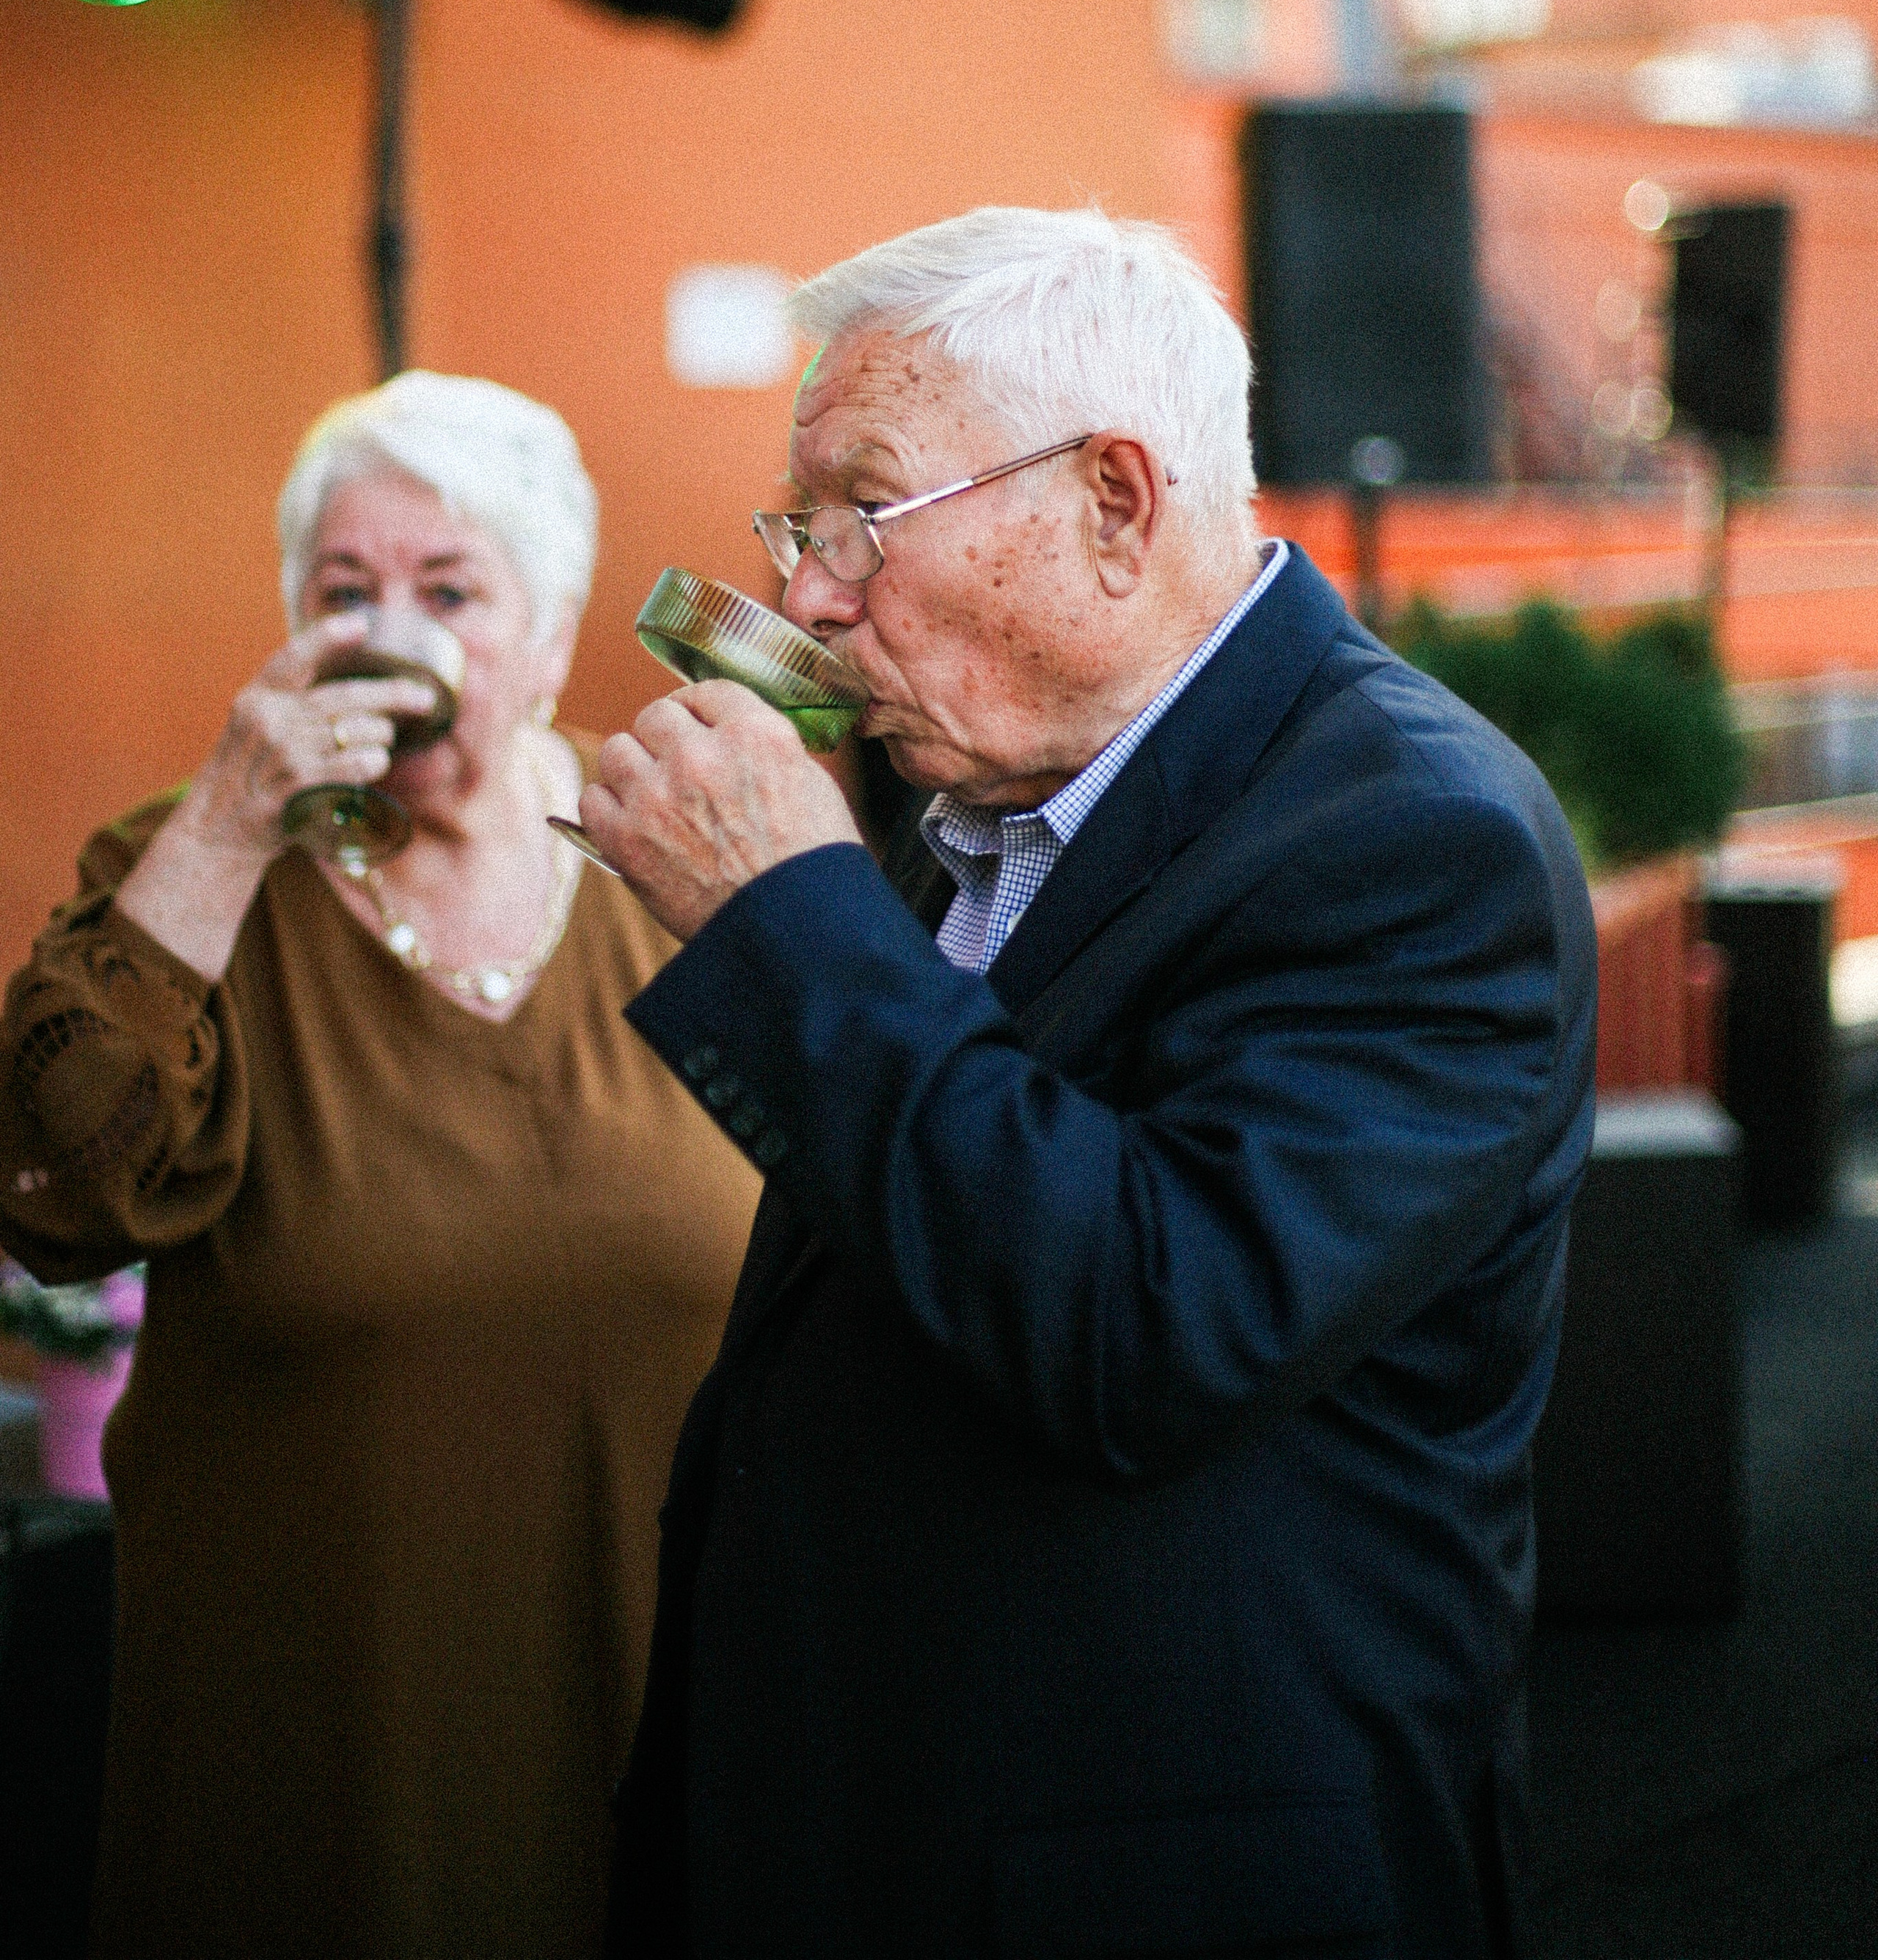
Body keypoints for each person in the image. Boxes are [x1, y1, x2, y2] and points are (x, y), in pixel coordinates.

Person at [583, 208, 1597, 1960]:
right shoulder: (951, 794)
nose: (809, 592)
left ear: (1113, 503)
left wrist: (782, 916)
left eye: (859, 516)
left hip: (1159, 1873)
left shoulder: (1416, 838)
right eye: (796, 524)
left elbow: (1146, 1326)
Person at [0, 371, 761, 1960]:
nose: (387, 635)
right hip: (309, 1780)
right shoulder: (188, 864)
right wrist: (227, 822)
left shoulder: (686, 858)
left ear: (551, 634)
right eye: (343, 593)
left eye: (449, 591)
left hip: (670, 1729)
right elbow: (56, 1196)